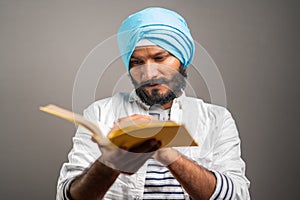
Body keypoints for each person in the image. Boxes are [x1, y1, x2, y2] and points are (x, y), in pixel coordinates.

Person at [56, 7, 250, 200]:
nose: (149, 74)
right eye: (137, 62)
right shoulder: (100, 114)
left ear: (182, 59)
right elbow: (67, 197)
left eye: (160, 58)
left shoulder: (216, 119)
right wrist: (110, 162)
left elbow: (237, 197)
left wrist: (165, 152)